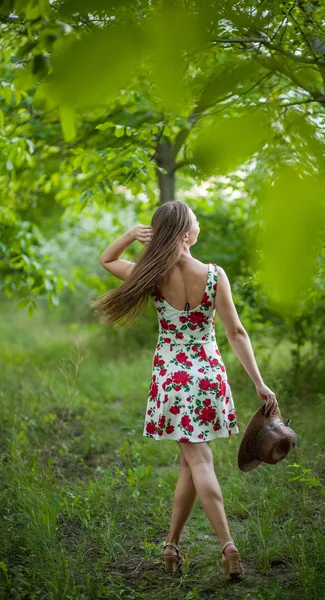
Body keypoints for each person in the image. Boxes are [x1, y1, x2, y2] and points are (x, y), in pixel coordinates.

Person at [91, 201, 277, 580]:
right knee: (192, 463)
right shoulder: (214, 275)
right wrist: (258, 381)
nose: (197, 228)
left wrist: (130, 235)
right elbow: (236, 332)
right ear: (186, 234)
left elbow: (108, 259)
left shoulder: (151, 275)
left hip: (173, 379)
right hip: (208, 375)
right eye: (195, 223)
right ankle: (177, 547)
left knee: (197, 462)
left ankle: (223, 546)